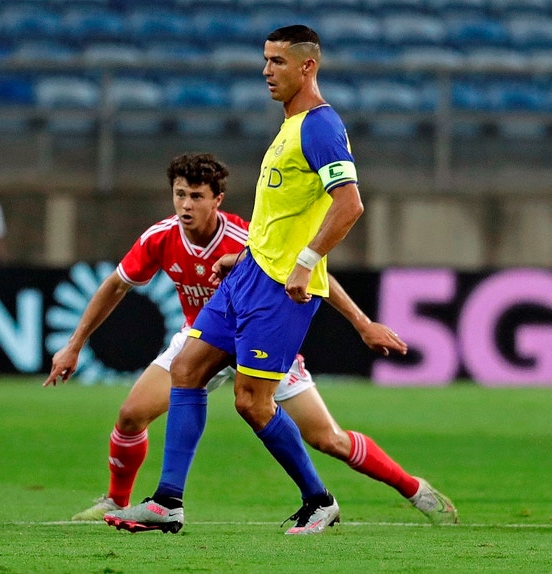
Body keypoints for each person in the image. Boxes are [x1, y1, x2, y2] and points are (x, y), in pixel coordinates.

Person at [45, 153, 457, 529]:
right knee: (131, 414)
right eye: (179, 195)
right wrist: (75, 344)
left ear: (217, 199)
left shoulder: (246, 238)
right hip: (202, 340)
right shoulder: (161, 237)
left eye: (196, 196)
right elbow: (116, 285)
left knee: (327, 439)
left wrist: (363, 322)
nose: (185, 205)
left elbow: (317, 275)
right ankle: (118, 500)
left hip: (259, 342)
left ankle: (412, 489)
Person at [101, 25, 365, 536]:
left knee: (251, 402)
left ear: (308, 66)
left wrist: (308, 260)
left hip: (281, 291)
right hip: (247, 276)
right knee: (186, 369)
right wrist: (244, 259)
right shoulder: (289, 126)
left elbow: (349, 204)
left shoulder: (319, 126)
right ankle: (167, 502)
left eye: (278, 62)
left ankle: (319, 500)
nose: (267, 71)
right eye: (265, 60)